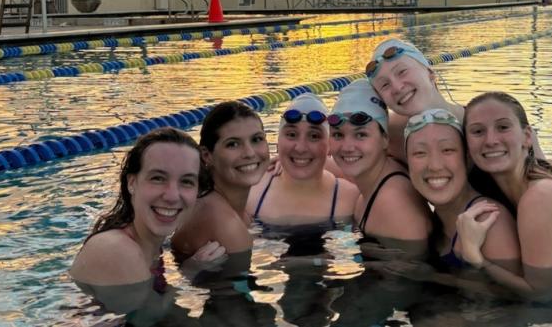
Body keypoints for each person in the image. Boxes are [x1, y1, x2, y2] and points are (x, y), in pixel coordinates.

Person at [365, 38, 552, 211]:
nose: (397, 88)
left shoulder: (488, 124)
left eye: (402, 72)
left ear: (431, 74)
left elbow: (544, 180)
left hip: (523, 213)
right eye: (385, 85)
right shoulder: (390, 134)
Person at [458, 92, 552, 301]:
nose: (490, 140)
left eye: (503, 127)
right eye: (477, 131)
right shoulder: (496, 188)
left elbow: (540, 293)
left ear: (527, 136)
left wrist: (477, 259)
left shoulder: (540, 196)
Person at [70, 127, 226, 313]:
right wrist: (192, 270)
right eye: (158, 178)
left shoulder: (148, 246)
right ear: (132, 183)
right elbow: (150, 318)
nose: (172, 196)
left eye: (186, 181)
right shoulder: (117, 250)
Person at [403, 108, 521, 272]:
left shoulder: (489, 221)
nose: (435, 166)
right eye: (420, 153)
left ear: (467, 158)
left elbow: (509, 296)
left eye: (447, 150)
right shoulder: (439, 218)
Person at [327, 79, 432, 252]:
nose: (347, 147)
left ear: (385, 139)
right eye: (338, 135)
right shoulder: (380, 176)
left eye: (360, 135)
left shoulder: (392, 204)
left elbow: (411, 273)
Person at [172, 101, 271, 267]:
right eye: (233, 144)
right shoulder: (226, 224)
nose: (249, 153)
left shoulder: (207, 200)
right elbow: (240, 291)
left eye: (257, 139)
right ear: (206, 155)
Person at [247, 94, 359, 227]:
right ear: (278, 141)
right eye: (291, 135)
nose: (300, 148)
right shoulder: (252, 193)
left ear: (330, 145)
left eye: (314, 136)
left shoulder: (351, 199)